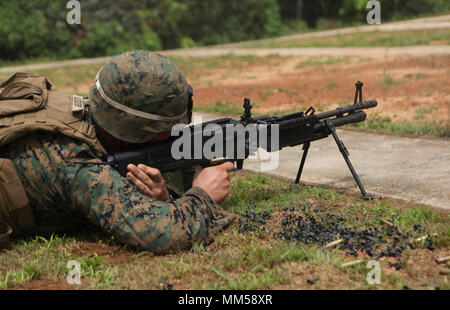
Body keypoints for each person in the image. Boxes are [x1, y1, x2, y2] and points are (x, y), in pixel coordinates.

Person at [0, 50, 236, 253]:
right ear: (138, 132)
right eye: (169, 130)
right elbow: (159, 233)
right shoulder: (76, 164)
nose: (175, 135)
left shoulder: (80, 115)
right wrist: (203, 195)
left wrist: (164, 196)